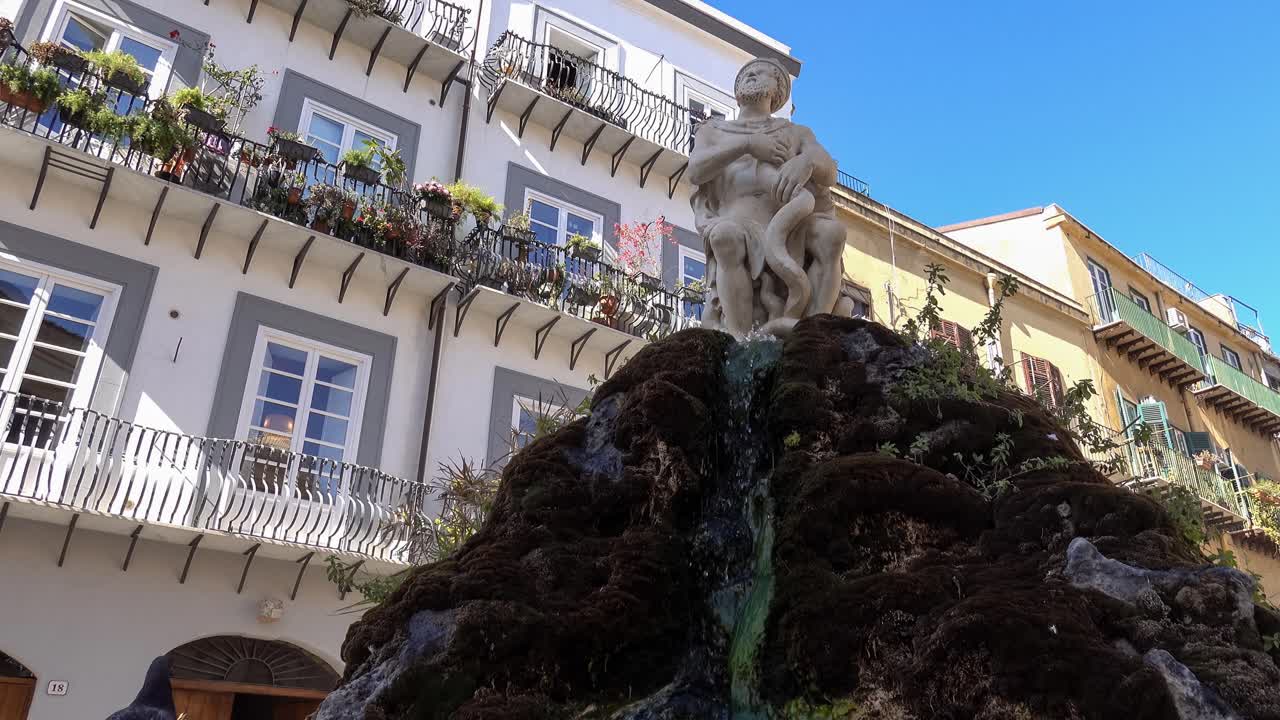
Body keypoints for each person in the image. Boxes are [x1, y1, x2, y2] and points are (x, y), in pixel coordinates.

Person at [688, 58, 845, 337]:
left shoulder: (796, 132)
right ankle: (740, 342)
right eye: (746, 74)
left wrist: (806, 161)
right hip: (738, 222)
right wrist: (748, 145)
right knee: (724, 235)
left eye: (760, 73)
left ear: (778, 91)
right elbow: (696, 170)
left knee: (832, 233)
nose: (751, 76)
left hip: (790, 226)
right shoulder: (713, 131)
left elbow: (830, 172)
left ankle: (814, 335)